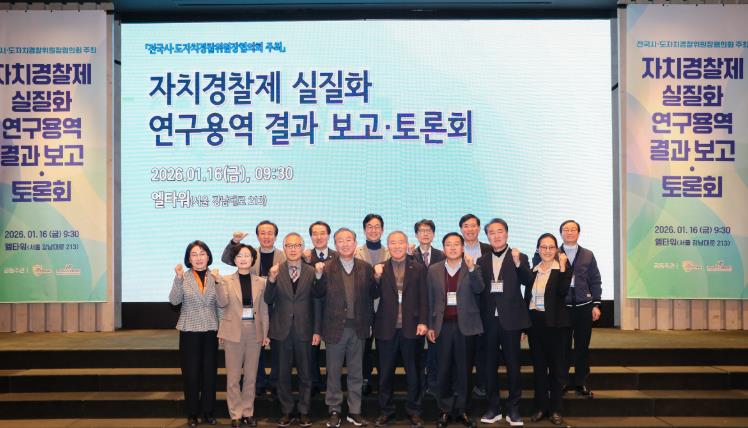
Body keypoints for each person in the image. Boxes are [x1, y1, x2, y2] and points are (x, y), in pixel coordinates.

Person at [313, 228, 378, 428]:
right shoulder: (326, 267)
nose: (345, 244)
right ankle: (334, 410)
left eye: (349, 240)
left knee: (356, 372)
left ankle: (354, 411)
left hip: (358, 327)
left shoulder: (366, 267)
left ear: (355, 243)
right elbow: (318, 294)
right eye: (340, 240)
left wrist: (377, 278)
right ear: (335, 244)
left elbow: (373, 294)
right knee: (333, 372)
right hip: (334, 328)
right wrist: (318, 276)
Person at [265, 233, 326, 428]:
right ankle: (287, 411)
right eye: (289, 245)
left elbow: (318, 300)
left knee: (306, 374)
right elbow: (268, 299)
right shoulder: (276, 270)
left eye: (297, 245)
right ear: (283, 248)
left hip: (305, 331)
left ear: (302, 247)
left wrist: (317, 330)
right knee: (282, 374)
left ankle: (304, 412)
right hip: (281, 331)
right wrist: (271, 279)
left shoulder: (312, 271)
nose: (293, 249)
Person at [476, 219, 531, 427]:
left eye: (500, 231)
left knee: (513, 365)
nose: (496, 236)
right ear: (487, 236)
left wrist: (518, 263)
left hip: (512, 321)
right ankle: (494, 407)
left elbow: (529, 281)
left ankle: (513, 408)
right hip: (488, 321)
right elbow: (479, 290)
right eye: (492, 232)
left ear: (507, 234)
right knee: (489, 365)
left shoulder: (519, 256)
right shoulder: (481, 260)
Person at [426, 233, 484, 428]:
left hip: (465, 326)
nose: (452, 248)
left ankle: (463, 410)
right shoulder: (434, 270)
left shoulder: (473, 267)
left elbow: (479, 289)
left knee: (464, 370)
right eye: (448, 244)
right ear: (443, 248)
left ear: (462, 248)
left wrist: (472, 268)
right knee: (443, 369)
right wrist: (430, 325)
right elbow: (430, 299)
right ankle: (445, 410)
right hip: (442, 326)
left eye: (456, 244)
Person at [222, 221, 286, 396]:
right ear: (257, 236)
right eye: (262, 233)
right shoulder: (250, 254)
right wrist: (234, 242)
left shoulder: (283, 256)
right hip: (255, 308)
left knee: (277, 348)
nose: (266, 236)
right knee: (256, 348)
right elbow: (227, 259)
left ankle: (274, 382)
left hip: (277, 308)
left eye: (270, 233)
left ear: (276, 236)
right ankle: (259, 381)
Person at [372, 231, 428, 428]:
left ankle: (414, 411)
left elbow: (424, 297)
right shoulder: (380, 268)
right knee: (385, 374)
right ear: (388, 246)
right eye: (393, 243)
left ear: (406, 244)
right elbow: (371, 294)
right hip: (386, 329)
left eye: (400, 242)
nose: (397, 246)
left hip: (412, 328)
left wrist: (424, 321)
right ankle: (386, 411)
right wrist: (376, 277)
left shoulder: (418, 268)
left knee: (413, 373)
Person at [215, 243, 270, 428]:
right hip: (233, 332)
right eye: (239, 256)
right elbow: (222, 304)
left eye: (247, 255)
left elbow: (264, 310)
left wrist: (265, 333)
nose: (243, 259)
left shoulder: (261, 282)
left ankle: (248, 412)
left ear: (253, 259)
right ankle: (235, 414)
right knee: (233, 377)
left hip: (254, 331)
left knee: (251, 377)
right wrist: (217, 283)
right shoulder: (225, 280)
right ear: (234, 260)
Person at [169, 240, 221, 427]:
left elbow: (221, 306)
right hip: (189, 330)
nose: (199, 258)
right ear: (188, 259)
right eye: (194, 254)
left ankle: (208, 412)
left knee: (209, 374)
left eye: (202, 253)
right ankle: (192, 413)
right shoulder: (183, 277)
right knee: (191, 374)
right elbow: (174, 301)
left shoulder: (215, 277)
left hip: (210, 330)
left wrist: (223, 329)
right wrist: (177, 279)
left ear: (208, 256)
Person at [525, 233, 571, 426]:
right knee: (539, 369)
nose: (547, 250)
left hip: (556, 326)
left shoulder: (561, 269)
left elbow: (562, 291)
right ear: (538, 249)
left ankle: (556, 410)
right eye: (543, 247)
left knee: (557, 369)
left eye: (551, 247)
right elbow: (527, 298)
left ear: (556, 249)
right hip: (535, 324)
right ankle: (541, 408)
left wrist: (563, 266)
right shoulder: (533, 270)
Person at [558, 220, 602, 398]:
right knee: (562, 347)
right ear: (561, 233)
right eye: (566, 230)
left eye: (573, 229)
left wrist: (596, 304)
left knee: (582, 347)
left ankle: (581, 382)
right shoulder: (553, 253)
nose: (569, 232)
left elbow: (595, 279)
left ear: (578, 232)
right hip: (562, 308)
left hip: (584, 307)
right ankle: (561, 382)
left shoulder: (588, 255)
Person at [354, 213, 390, 396]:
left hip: (386, 309)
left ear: (382, 230)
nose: (373, 230)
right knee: (364, 348)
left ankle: (384, 382)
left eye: (377, 227)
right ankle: (364, 380)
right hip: (363, 308)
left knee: (384, 348)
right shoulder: (355, 253)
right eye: (370, 227)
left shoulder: (391, 252)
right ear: (364, 230)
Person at [412, 219, 445, 398]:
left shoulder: (442, 255)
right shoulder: (409, 255)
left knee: (435, 351)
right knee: (417, 351)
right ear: (416, 235)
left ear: (433, 234)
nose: (425, 234)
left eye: (428, 230)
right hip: (415, 311)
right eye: (421, 231)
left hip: (436, 309)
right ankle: (420, 386)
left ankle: (433, 385)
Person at [458, 214, 491, 397]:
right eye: (466, 226)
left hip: (486, 305)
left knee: (484, 347)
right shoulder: (454, 250)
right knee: (464, 350)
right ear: (461, 229)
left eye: (473, 226)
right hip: (464, 307)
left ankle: (482, 383)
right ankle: (464, 385)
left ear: (479, 228)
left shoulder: (489, 249)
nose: (469, 229)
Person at [303, 221, 337, 396]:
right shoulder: (304, 257)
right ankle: (314, 383)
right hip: (311, 310)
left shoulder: (338, 256)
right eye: (315, 233)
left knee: (334, 350)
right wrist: (307, 262)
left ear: (328, 235)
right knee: (312, 349)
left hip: (333, 310)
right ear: (311, 237)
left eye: (322, 233)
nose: (319, 237)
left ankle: (332, 384)